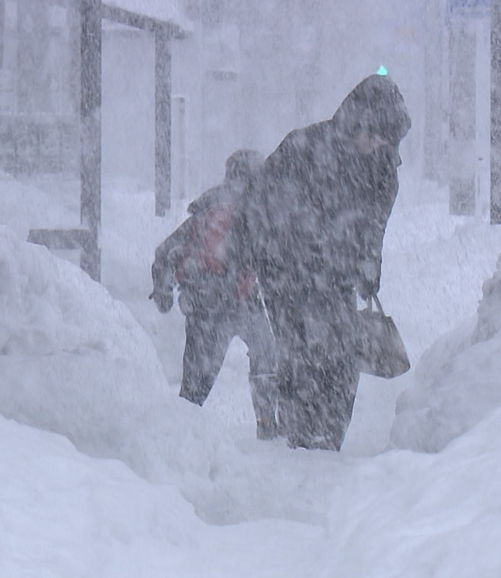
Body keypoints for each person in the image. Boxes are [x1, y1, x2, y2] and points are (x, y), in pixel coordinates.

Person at [229, 74, 411, 450]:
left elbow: (375, 224)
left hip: (336, 278)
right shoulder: (304, 148)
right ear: (357, 121)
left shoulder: (381, 169)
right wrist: (259, 258)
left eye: (386, 141)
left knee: (341, 357)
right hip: (286, 274)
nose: (377, 145)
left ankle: (328, 440)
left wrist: (369, 265)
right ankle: (301, 436)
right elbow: (257, 206)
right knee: (300, 353)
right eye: (374, 134)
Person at [151, 149, 279, 439]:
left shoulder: (207, 209)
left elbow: (164, 252)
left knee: (196, 383)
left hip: (205, 306)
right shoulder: (255, 210)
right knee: (267, 354)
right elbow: (270, 260)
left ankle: (178, 434)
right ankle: (267, 422)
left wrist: (163, 292)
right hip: (241, 301)